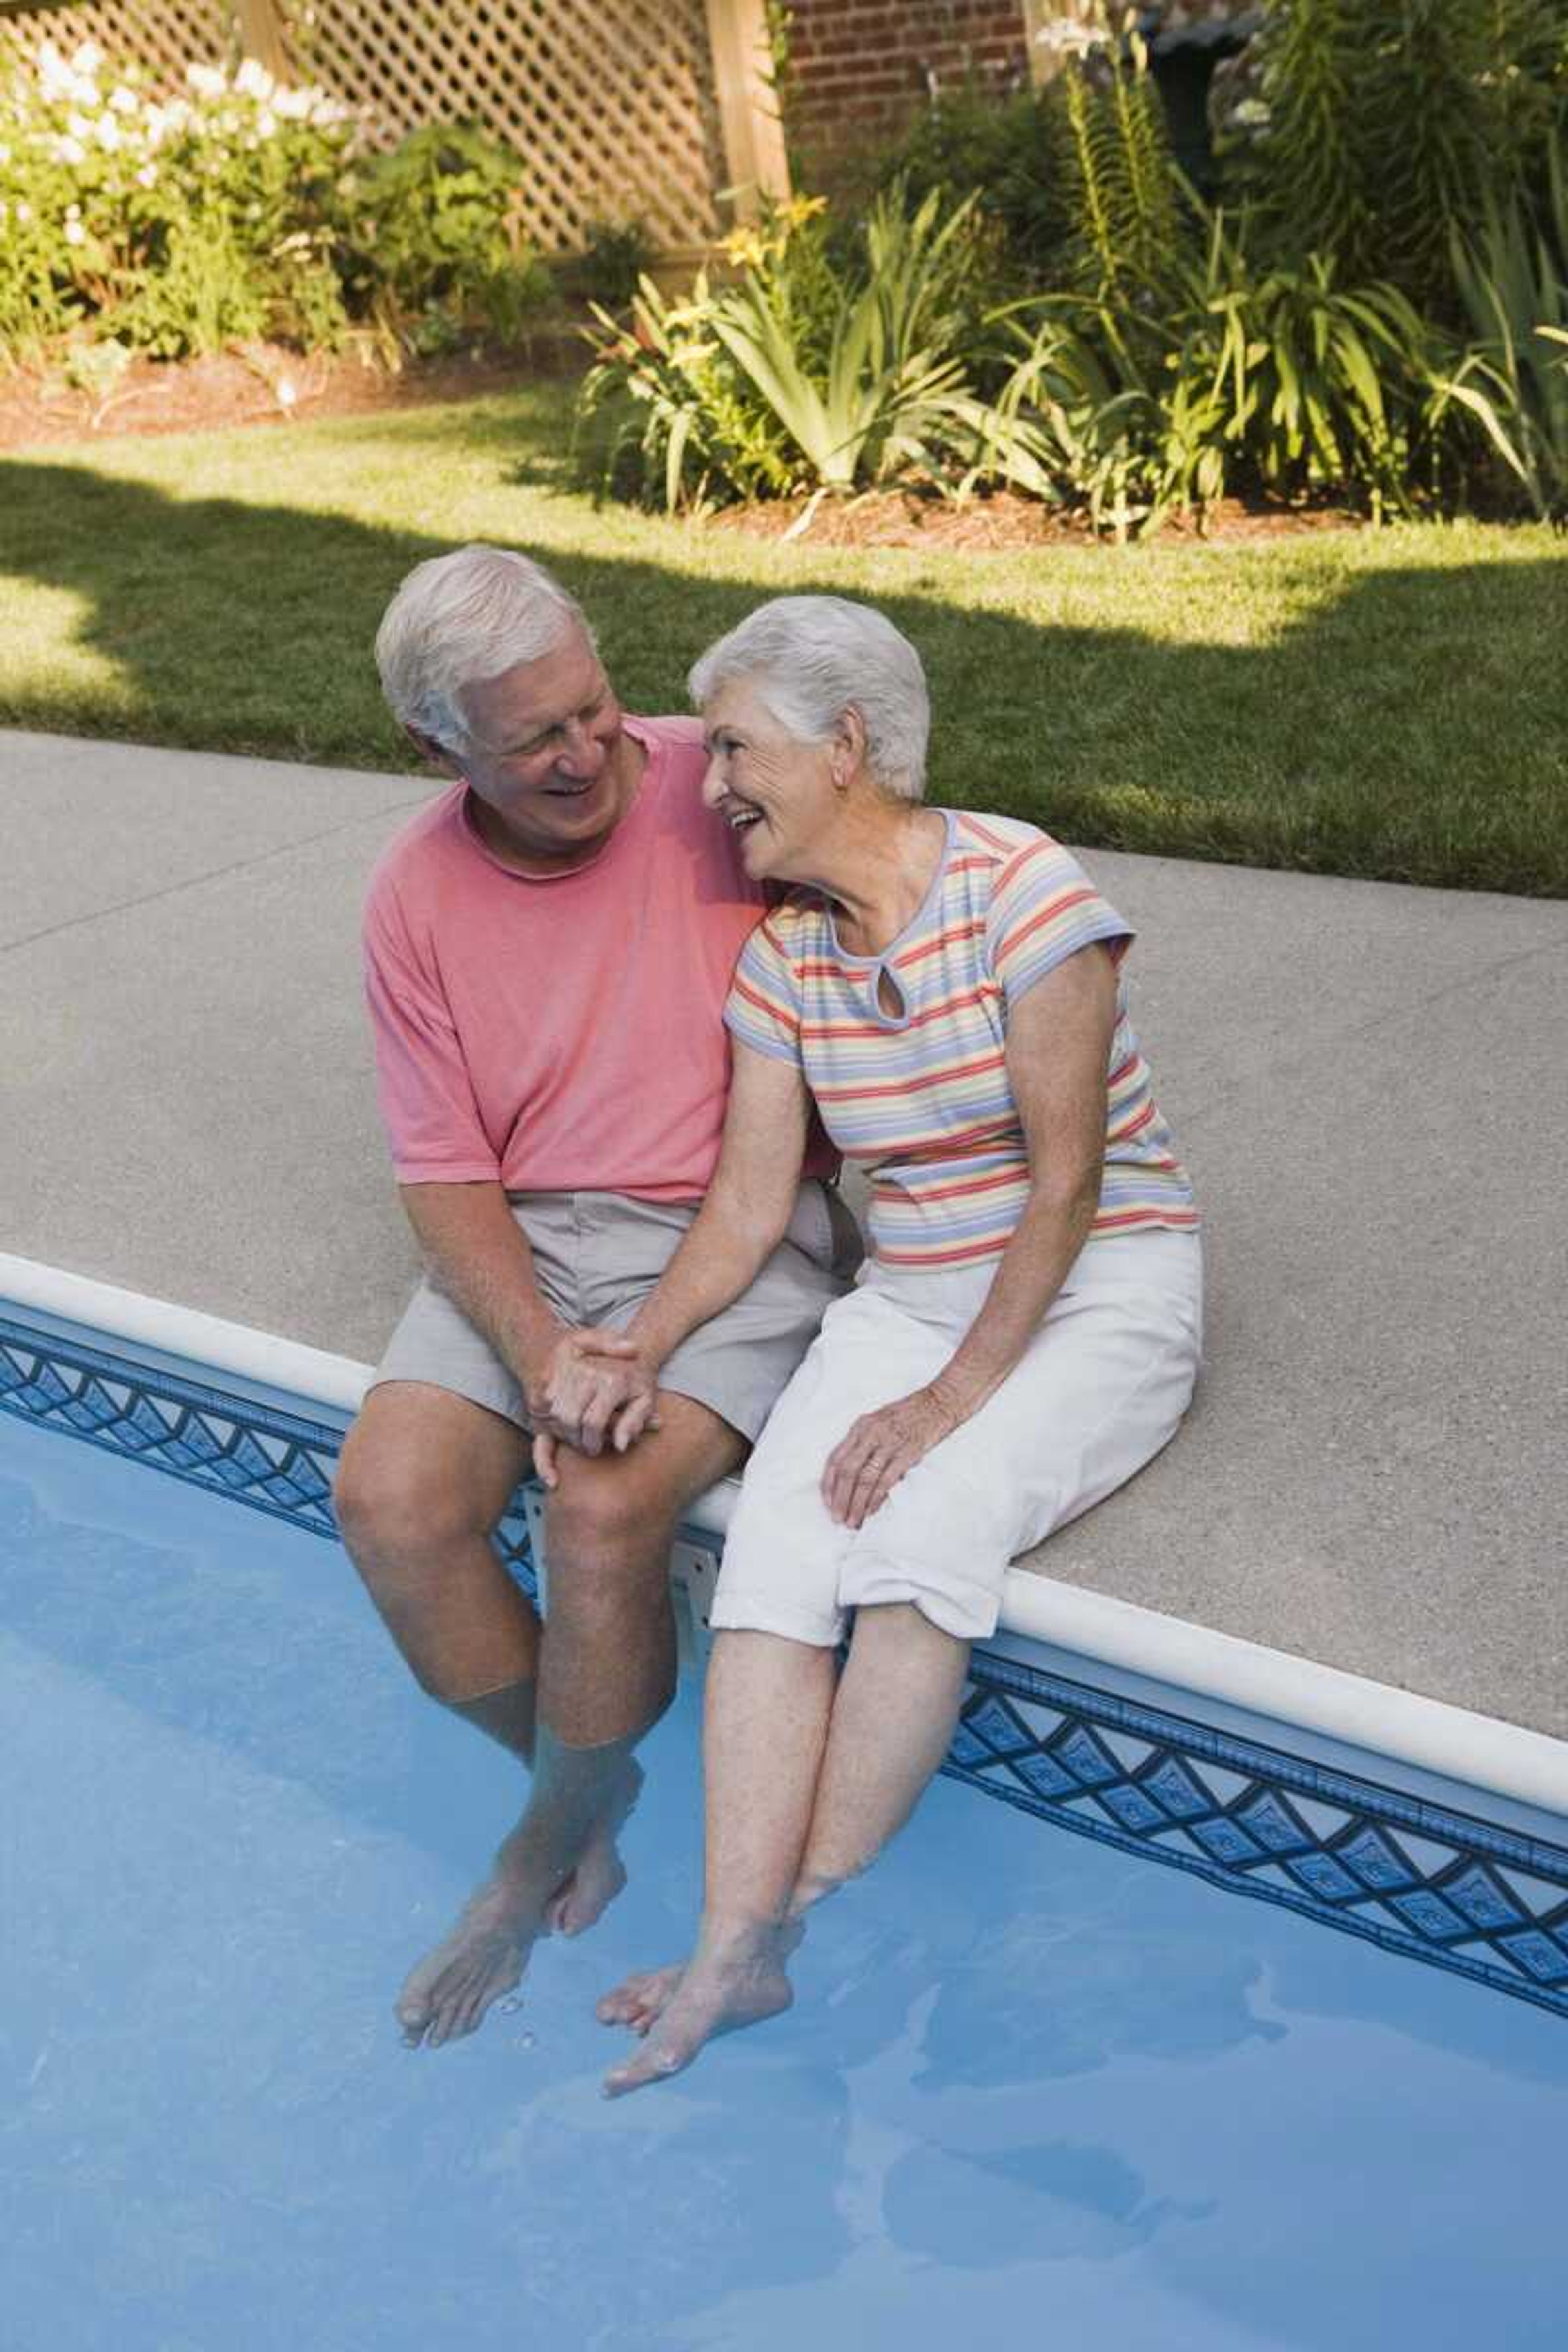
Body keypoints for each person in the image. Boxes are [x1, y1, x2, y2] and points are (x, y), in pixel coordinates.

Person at [543, 595, 1202, 2096]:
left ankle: (793, 1926)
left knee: (927, 1535)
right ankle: (729, 1947)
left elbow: (1070, 1181)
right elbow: (748, 1201)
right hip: (910, 1294)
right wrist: (642, 1342)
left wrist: (948, 1404)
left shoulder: (1025, 893)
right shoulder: (790, 961)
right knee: (780, 1557)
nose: (711, 786)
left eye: (734, 747)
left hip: (1105, 1284)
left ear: (846, 746)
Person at [332, 547, 854, 2052]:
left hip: (731, 1226)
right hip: (533, 1242)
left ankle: (532, 1852)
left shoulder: (723, 785)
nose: (589, 754)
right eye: (535, 741)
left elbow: (921, 882)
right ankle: (587, 1791)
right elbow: (443, 1177)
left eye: (594, 706)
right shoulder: (414, 894)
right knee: (392, 1504)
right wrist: (547, 1348)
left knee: (606, 1513)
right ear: (437, 752)